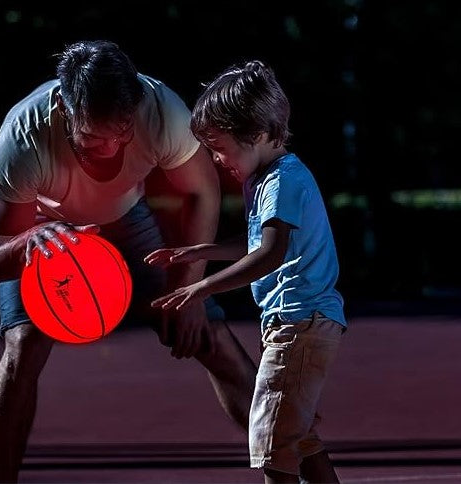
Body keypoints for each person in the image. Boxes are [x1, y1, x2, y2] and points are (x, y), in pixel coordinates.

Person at [0, 40, 257, 483]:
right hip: (48, 231)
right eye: (91, 137)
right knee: (23, 346)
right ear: (65, 112)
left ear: (135, 108)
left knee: (207, 333)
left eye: (119, 133)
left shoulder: (161, 111)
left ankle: (286, 460)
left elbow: (202, 192)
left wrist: (190, 291)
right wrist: (27, 240)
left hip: (127, 220)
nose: (107, 148)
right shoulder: (25, 135)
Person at [146, 60, 347, 484]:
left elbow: (270, 255)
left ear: (256, 135)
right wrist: (199, 251)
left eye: (220, 148)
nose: (217, 160)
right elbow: (260, 242)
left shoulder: (283, 181)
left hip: (300, 321)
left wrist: (201, 287)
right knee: (298, 436)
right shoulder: (266, 179)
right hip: (297, 321)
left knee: (271, 444)